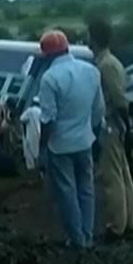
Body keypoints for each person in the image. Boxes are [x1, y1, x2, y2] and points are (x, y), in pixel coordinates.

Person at [38, 30, 105, 249]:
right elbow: (98, 110)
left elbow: (48, 119)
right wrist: (92, 134)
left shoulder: (50, 78)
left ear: (48, 55)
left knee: (67, 192)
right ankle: (87, 235)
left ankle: (77, 240)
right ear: (67, 48)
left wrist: (42, 147)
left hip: (60, 146)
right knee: (87, 189)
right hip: (85, 141)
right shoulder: (91, 71)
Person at [87, 17, 133, 242]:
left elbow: (118, 99)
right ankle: (128, 223)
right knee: (123, 174)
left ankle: (116, 227)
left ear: (94, 38)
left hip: (110, 125)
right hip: (116, 126)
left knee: (111, 177)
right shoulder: (111, 62)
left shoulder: (106, 65)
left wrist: (125, 124)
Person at [19, 96, 43, 177]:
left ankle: (33, 172)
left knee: (30, 153)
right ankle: (41, 173)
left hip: (31, 135)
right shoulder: (41, 111)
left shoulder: (29, 111)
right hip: (40, 134)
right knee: (39, 152)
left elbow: (22, 119)